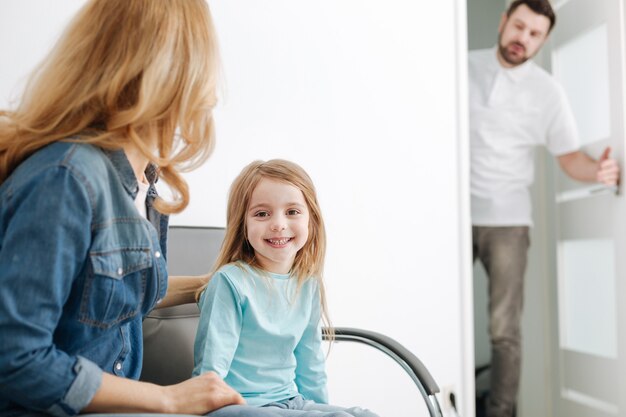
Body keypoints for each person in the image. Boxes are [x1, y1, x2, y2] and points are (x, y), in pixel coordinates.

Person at [0, 0, 247, 415]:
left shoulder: (146, 183)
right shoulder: (66, 179)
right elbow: (16, 356)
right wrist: (168, 397)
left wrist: (210, 283)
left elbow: (113, 294)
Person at [468, 1, 620, 416]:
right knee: (436, 306)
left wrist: (602, 171)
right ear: (503, 22)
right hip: (452, 218)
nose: (523, 38)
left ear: (544, 39)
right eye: (518, 26)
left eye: (534, 34)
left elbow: (570, 158)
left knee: (504, 332)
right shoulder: (462, 67)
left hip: (509, 223)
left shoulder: (547, 91)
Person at [192, 160, 378, 417]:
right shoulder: (230, 282)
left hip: (291, 402)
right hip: (236, 406)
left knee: (363, 415)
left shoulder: (307, 283)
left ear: (311, 219)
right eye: (261, 214)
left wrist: (320, 408)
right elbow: (211, 365)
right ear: (242, 225)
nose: (278, 224)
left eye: (292, 212)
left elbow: (309, 361)